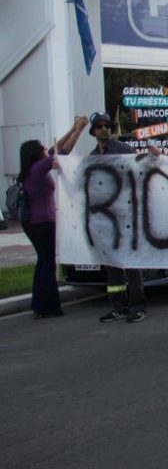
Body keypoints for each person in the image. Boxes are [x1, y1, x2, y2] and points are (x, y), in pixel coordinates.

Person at [20, 116, 89, 318]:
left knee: (42, 263)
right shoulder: (38, 169)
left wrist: (73, 128)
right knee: (48, 264)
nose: (45, 149)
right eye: (41, 148)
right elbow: (63, 153)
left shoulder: (32, 169)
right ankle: (48, 306)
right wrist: (80, 130)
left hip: (33, 223)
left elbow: (54, 150)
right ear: (36, 154)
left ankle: (39, 304)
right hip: (43, 223)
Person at [90, 112, 148, 324]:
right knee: (112, 266)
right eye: (99, 126)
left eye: (107, 125)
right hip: (106, 219)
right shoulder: (92, 156)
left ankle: (138, 306)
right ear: (94, 132)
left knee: (132, 263)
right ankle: (119, 306)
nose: (104, 129)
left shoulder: (123, 151)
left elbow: (139, 174)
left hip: (126, 214)